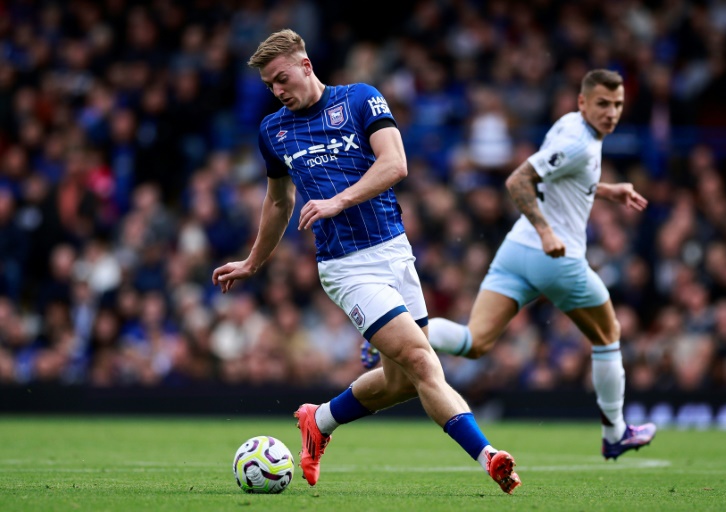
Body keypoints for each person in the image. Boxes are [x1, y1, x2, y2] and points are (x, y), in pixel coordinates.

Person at [211, 29, 521, 494]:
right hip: (345, 265)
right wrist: (254, 262)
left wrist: (338, 200)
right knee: (422, 360)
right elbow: (279, 202)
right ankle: (489, 456)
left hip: (395, 251)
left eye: (281, 79)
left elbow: (395, 163)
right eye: (269, 85)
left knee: (400, 381)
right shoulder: (273, 130)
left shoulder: (359, 99)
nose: (277, 91)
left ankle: (320, 419)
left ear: (306, 65)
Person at [365, 69, 657, 460]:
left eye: (618, 104)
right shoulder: (578, 141)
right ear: (583, 102)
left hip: (516, 250)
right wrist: (547, 232)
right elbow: (518, 181)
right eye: (603, 103)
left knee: (474, 342)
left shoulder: (571, 127)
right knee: (608, 336)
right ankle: (616, 433)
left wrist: (607, 191)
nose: (612, 112)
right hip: (554, 255)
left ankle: (394, 333)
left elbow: (557, 177)